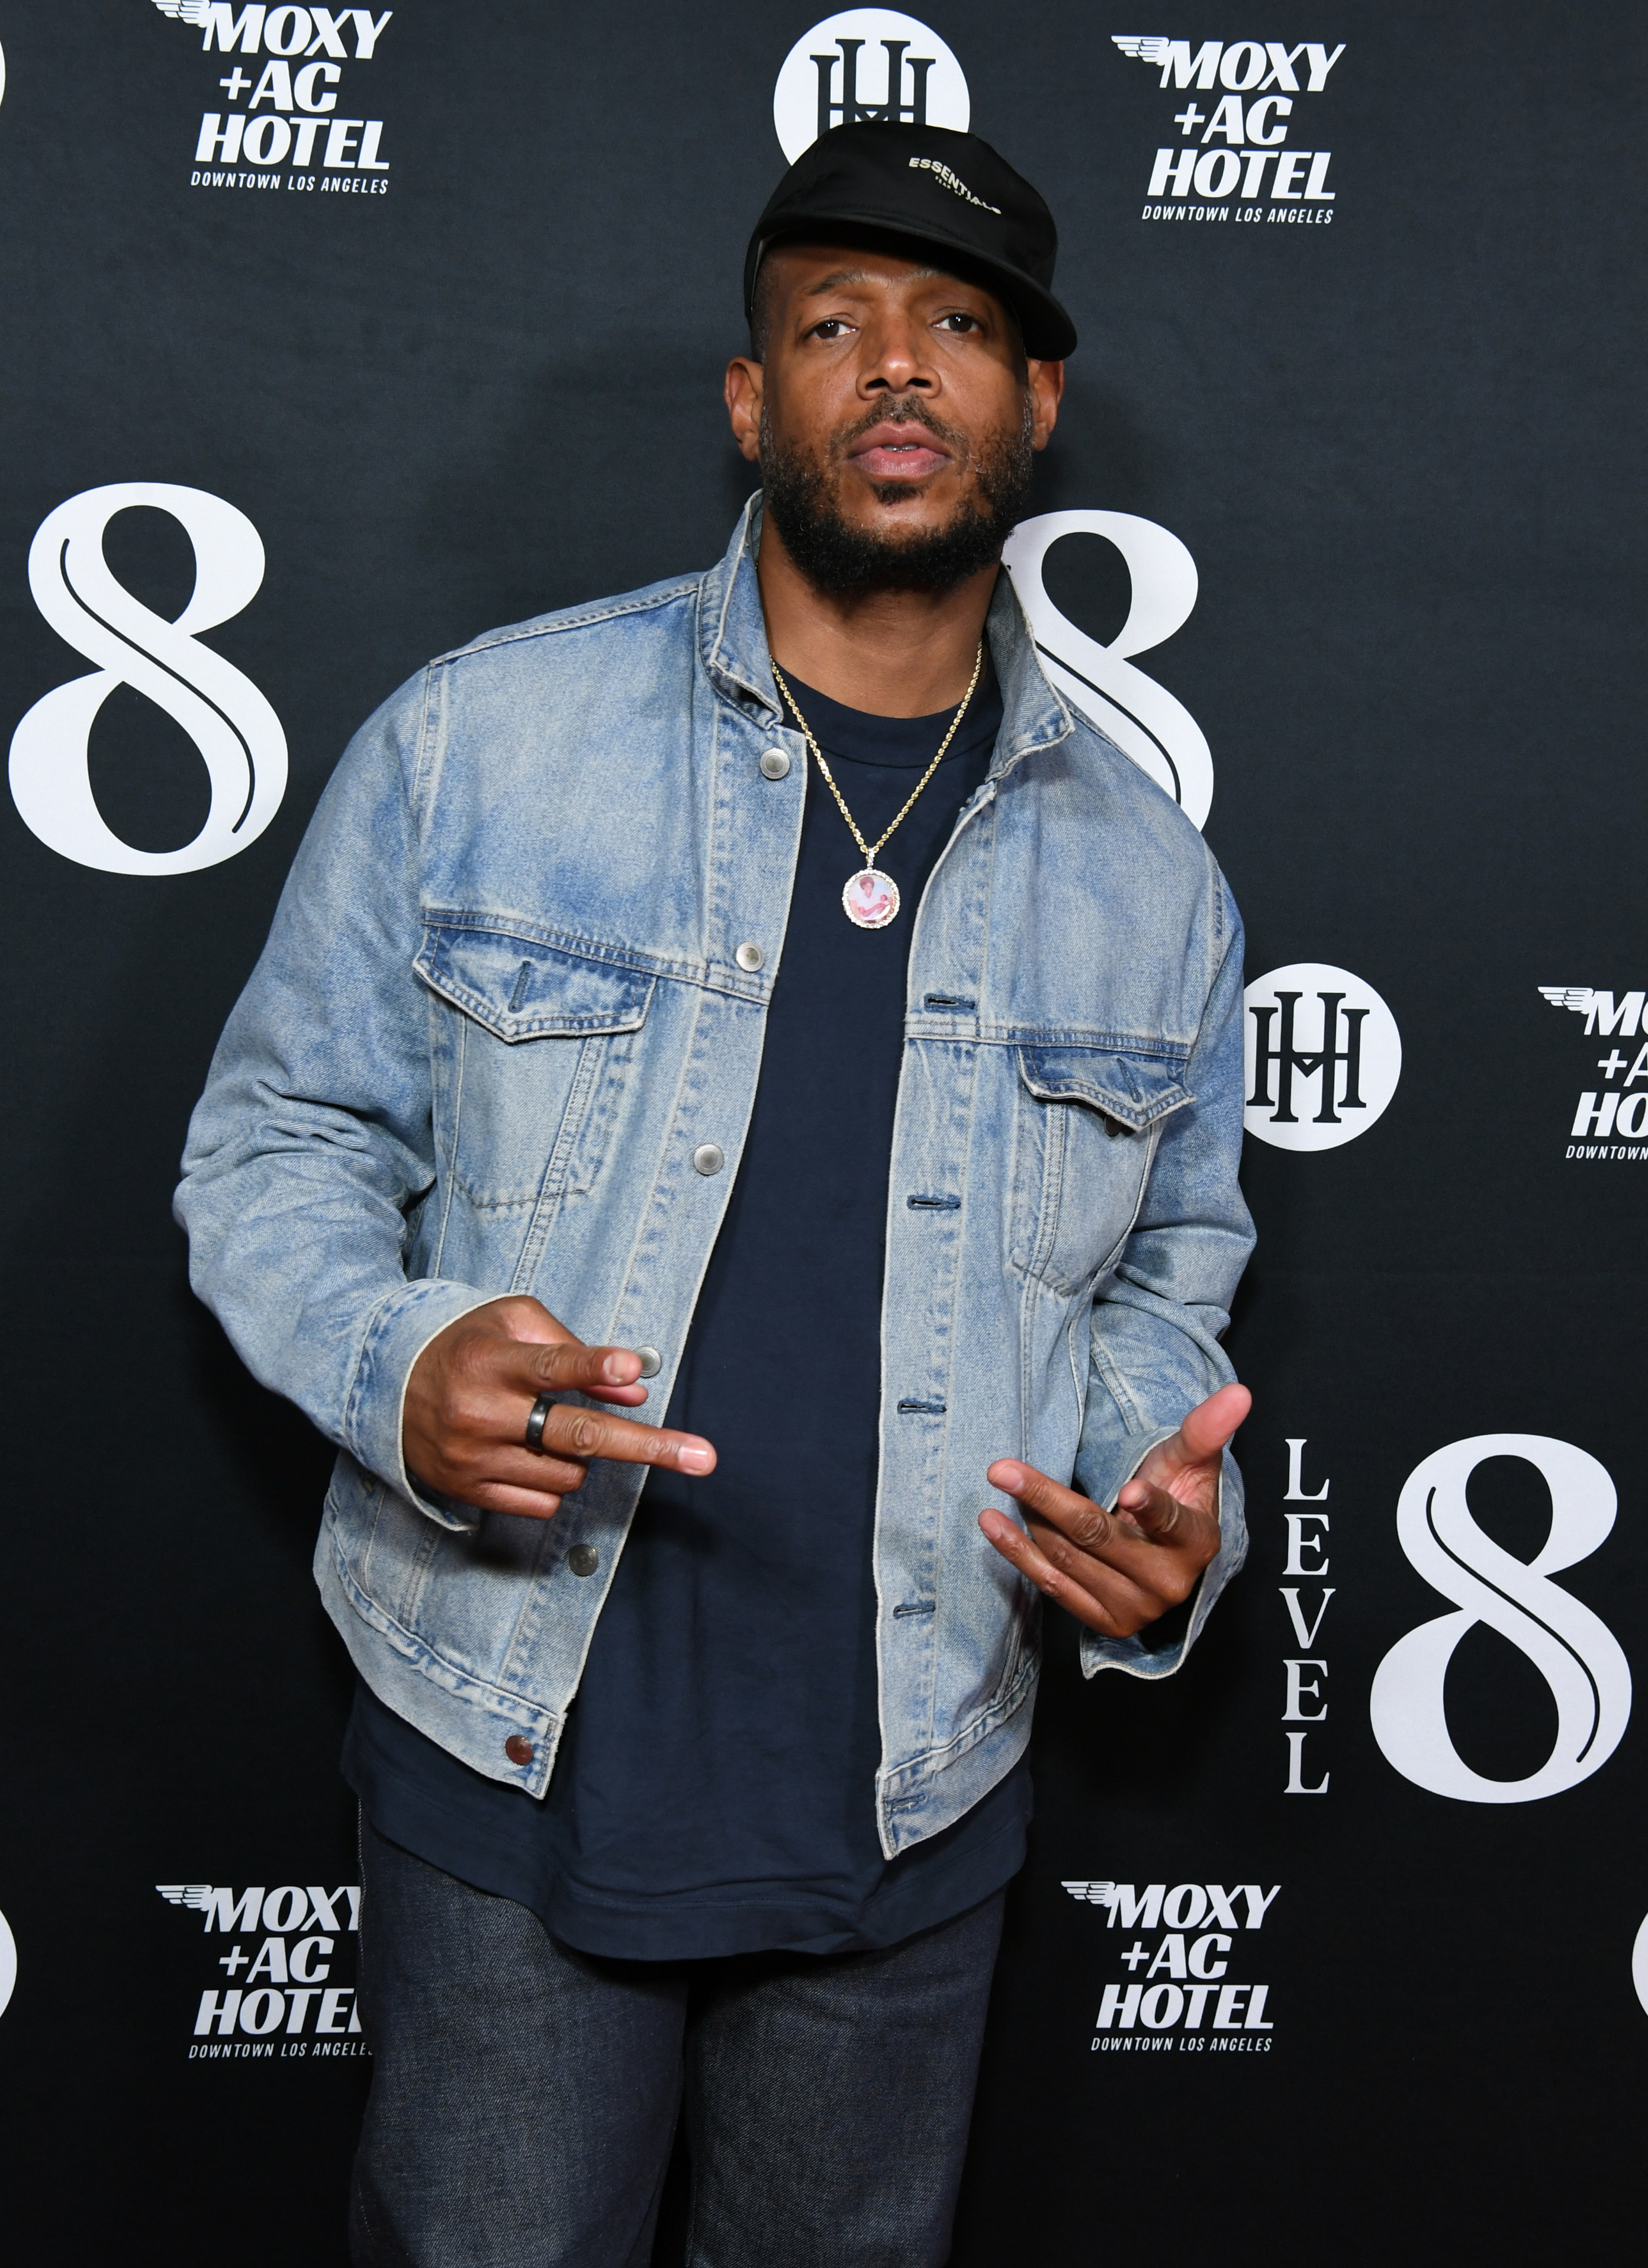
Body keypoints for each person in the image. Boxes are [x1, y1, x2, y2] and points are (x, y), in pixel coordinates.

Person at [177, 119, 1254, 2268]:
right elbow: (277, 1144)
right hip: (510, 1750)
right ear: (754, 401)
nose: (897, 369)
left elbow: (1160, 1286)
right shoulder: (482, 742)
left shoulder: (1155, 882)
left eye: (959, 323)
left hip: (913, 1790)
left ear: (1035, 406)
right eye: (831, 323)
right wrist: (403, 1365)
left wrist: (1153, 1507)